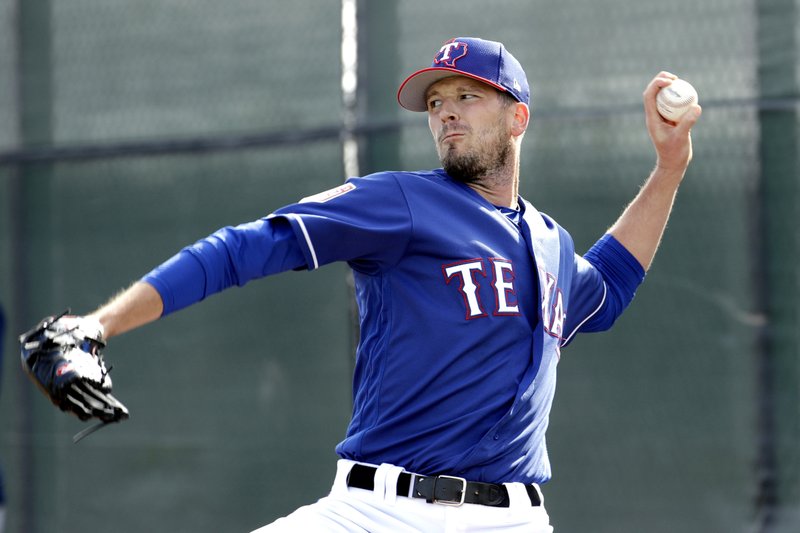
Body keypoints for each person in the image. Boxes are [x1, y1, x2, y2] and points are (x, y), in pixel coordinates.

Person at [23, 37, 701, 532]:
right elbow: (246, 247)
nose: (447, 113)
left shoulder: (550, 243)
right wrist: (96, 326)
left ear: (518, 117)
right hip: (378, 512)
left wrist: (669, 165)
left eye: (468, 95)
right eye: (436, 102)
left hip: (513, 520)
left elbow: (606, 290)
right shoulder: (403, 203)